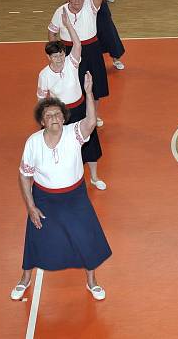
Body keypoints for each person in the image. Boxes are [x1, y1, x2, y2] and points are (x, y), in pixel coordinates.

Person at [10, 72, 112, 302]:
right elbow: (24, 177)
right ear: (42, 121)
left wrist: (88, 93)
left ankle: (92, 282)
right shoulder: (33, 142)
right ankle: (25, 279)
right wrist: (31, 207)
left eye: (57, 114)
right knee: (35, 239)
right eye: (49, 115)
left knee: (86, 237)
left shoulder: (74, 134)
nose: (54, 117)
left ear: (63, 118)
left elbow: (91, 122)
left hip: (75, 197)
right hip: (44, 198)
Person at [38, 10, 106, 190]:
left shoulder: (71, 62)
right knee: (63, 146)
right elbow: (41, 100)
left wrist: (68, 25)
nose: (59, 58)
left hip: (80, 108)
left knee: (90, 142)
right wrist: (45, 120)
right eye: (55, 56)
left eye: (61, 54)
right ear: (48, 57)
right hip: (61, 114)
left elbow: (77, 44)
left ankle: (94, 177)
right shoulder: (44, 75)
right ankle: (65, 176)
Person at [49, 0, 109, 125]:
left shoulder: (91, 6)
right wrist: (55, 53)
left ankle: (93, 115)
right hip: (69, 52)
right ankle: (75, 116)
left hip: (92, 50)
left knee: (95, 86)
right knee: (73, 85)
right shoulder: (60, 11)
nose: (77, 1)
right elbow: (52, 32)